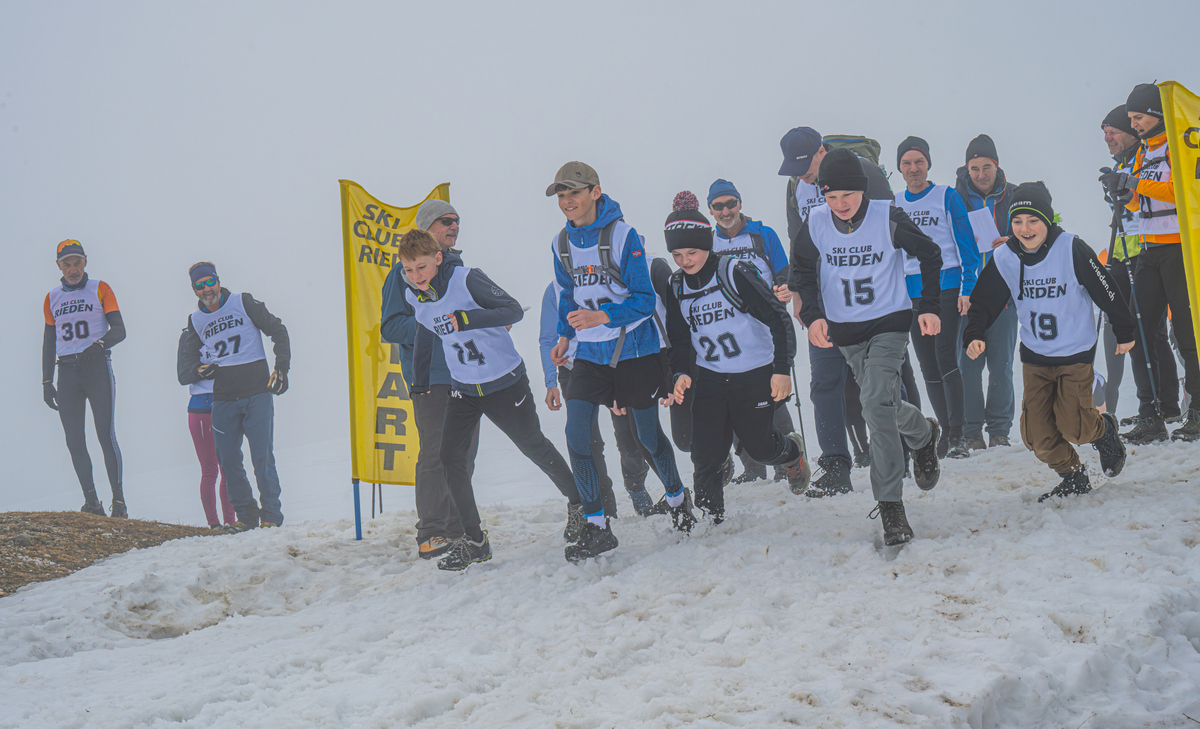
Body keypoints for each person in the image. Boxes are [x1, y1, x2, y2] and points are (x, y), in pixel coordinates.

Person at [399, 228, 581, 571]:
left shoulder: (467, 279)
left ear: (437, 258)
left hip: (504, 383)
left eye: (421, 267)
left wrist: (466, 319)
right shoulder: (416, 295)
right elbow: (424, 333)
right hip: (464, 389)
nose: (416, 276)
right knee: (450, 458)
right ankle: (475, 541)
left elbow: (512, 311)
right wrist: (420, 382)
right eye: (409, 270)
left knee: (532, 445)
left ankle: (579, 503)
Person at [791, 148, 943, 547]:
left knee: (874, 403)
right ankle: (923, 433)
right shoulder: (815, 222)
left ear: (863, 191)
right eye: (832, 196)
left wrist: (929, 306)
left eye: (848, 195)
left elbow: (930, 253)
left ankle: (891, 506)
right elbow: (801, 271)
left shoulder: (887, 216)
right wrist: (813, 315)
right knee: (883, 403)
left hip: (889, 323)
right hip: (845, 332)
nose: (840, 204)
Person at [548, 161, 695, 563]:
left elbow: (645, 301)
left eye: (574, 193)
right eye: (561, 195)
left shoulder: (622, 235)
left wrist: (602, 316)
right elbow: (567, 294)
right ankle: (598, 527)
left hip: (635, 352)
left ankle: (678, 500)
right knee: (577, 435)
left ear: (595, 192)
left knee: (647, 436)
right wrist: (565, 336)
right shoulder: (561, 243)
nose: (567, 202)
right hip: (589, 356)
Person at [964, 182, 1133, 500]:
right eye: (1017, 221)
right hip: (1035, 357)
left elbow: (1105, 289)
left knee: (1076, 427)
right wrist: (974, 332)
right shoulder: (1005, 257)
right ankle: (1073, 475)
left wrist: (1124, 329)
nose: (1025, 229)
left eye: (1033, 220)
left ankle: (1104, 430)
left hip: (1074, 354)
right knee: (1036, 435)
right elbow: (984, 300)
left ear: (1047, 220)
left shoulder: (1070, 248)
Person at [778, 126, 904, 499]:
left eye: (805, 166)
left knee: (884, 378)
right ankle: (835, 466)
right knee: (824, 382)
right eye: (794, 169)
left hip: (871, 296)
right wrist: (798, 292)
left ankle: (907, 446)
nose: (801, 175)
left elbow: (891, 229)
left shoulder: (864, 172)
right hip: (823, 298)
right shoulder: (796, 187)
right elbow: (797, 240)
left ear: (822, 151)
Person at [662, 205, 806, 521]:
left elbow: (778, 319)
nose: (685, 261)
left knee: (760, 448)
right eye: (677, 254)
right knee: (705, 454)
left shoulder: (733, 272)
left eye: (692, 252)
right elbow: (679, 336)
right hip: (712, 377)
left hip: (754, 373)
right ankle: (712, 520)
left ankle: (792, 453)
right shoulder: (676, 285)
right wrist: (681, 372)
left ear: (706, 245)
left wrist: (781, 369)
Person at [380, 200, 480, 560]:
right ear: (425, 227)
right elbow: (391, 326)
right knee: (437, 452)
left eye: (457, 220)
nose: (454, 226)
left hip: (466, 373)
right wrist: (433, 322)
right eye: (445, 221)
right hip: (431, 376)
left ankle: (457, 529)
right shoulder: (402, 273)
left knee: (464, 454)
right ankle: (431, 532)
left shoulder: (459, 270)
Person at [1107, 83, 1200, 442]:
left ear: (1157, 115)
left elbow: (1181, 191)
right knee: (1140, 332)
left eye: (1138, 117)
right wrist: (1123, 192)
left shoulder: (1179, 146)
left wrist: (1135, 182)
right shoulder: (1144, 152)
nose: (1134, 125)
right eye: (1131, 119)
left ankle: (1196, 411)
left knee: (1187, 332)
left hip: (1179, 249)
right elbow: (1140, 202)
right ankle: (1152, 413)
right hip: (1148, 250)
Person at [179, 263, 290, 531]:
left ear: (218, 281)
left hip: (257, 392)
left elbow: (278, 330)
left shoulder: (243, 302)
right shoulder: (196, 320)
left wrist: (281, 368)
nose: (207, 290)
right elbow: (187, 363)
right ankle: (246, 516)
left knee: (262, 457)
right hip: (224, 398)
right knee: (228, 461)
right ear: (194, 290)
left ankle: (272, 515)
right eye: (200, 286)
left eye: (210, 282)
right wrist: (199, 369)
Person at [706, 178, 798, 484]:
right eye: (718, 206)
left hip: (766, 327)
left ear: (740, 204)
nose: (725, 211)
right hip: (730, 332)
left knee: (773, 394)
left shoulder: (763, 234)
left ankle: (788, 462)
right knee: (733, 396)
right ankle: (753, 467)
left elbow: (784, 271)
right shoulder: (709, 244)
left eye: (730, 203)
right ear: (710, 210)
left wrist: (784, 289)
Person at [895, 136, 981, 459]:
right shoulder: (893, 202)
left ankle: (958, 433)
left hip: (946, 283)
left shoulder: (946, 196)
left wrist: (968, 287)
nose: (914, 168)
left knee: (945, 355)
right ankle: (945, 431)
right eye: (907, 163)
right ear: (900, 168)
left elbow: (966, 245)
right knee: (927, 363)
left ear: (928, 164)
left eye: (919, 161)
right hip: (911, 292)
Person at [539, 280, 655, 517]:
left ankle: (636, 486)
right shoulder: (554, 289)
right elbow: (548, 338)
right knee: (587, 443)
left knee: (628, 436)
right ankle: (604, 508)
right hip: (574, 370)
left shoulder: (610, 275)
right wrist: (550, 382)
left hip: (615, 364)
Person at [42, 239, 127, 518]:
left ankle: (119, 503)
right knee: (74, 440)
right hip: (67, 372)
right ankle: (92, 503)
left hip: (96, 367)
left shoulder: (100, 288)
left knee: (105, 435)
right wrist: (46, 381)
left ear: (85, 261)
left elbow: (120, 330)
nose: (73, 269)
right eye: (67, 264)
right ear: (59, 266)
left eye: (77, 263)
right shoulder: (52, 297)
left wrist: (100, 344)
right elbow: (49, 341)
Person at [954, 134, 1018, 450]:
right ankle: (970, 432)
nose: (981, 175)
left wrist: (1015, 241)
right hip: (966, 294)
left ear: (997, 165)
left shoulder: (1015, 195)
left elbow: (1045, 227)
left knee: (1001, 365)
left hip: (1004, 293)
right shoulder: (954, 198)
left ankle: (999, 430)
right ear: (967, 168)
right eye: (975, 168)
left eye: (986, 167)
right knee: (968, 366)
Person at [177, 327, 234, 528]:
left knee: (229, 467)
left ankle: (231, 522)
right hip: (201, 406)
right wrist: (204, 370)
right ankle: (214, 524)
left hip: (226, 402)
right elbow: (183, 375)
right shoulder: (188, 335)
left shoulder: (228, 329)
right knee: (210, 470)